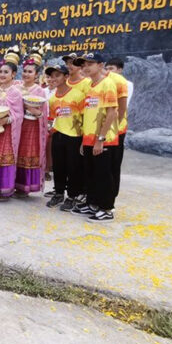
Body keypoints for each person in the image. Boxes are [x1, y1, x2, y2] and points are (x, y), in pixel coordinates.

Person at [71, 53, 119, 223]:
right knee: (91, 173)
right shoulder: (91, 86)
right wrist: (86, 139)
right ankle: (92, 203)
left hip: (104, 139)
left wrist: (101, 138)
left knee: (103, 174)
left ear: (101, 65)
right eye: (84, 64)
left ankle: (106, 208)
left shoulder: (107, 84)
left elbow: (112, 112)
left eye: (90, 63)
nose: (86, 67)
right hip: (89, 137)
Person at [45, 64, 85, 211]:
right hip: (58, 135)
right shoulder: (53, 98)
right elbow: (53, 118)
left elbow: (85, 117)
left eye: (57, 75)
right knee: (58, 167)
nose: (53, 79)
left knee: (73, 168)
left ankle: (72, 196)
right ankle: (59, 193)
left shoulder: (78, 95)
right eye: (51, 76)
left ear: (66, 77)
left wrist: (84, 139)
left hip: (74, 136)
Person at [0, 50, 24, 201]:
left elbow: (19, 114)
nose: (2, 75)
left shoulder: (15, 92)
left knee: (5, 159)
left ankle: (5, 191)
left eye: (6, 72)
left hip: (8, 131)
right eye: (0, 71)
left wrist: (5, 121)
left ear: (13, 74)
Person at [15, 48, 49, 197]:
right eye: (25, 71)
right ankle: (12, 183)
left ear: (36, 75)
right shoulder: (16, 88)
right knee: (15, 153)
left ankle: (25, 187)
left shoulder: (39, 91)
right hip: (18, 126)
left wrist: (29, 107)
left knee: (27, 155)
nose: (26, 74)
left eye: (30, 72)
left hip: (31, 127)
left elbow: (42, 113)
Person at [104, 58, 130, 200]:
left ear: (120, 69)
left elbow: (122, 107)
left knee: (113, 164)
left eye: (111, 68)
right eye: (106, 68)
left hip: (117, 130)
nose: (108, 71)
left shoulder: (123, 83)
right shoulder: (102, 82)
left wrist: (113, 128)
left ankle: (111, 197)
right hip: (103, 129)